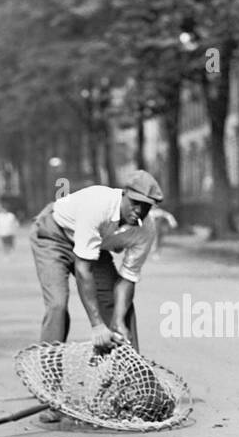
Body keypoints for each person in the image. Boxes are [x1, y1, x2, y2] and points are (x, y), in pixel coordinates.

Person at [29, 170, 164, 422]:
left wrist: (118, 321)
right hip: (54, 236)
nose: (138, 211)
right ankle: (49, 395)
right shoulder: (99, 205)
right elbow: (83, 270)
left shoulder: (145, 230)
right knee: (58, 305)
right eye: (134, 203)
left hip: (94, 245)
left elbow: (128, 277)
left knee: (122, 311)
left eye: (145, 207)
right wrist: (97, 325)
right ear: (123, 195)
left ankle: (131, 390)